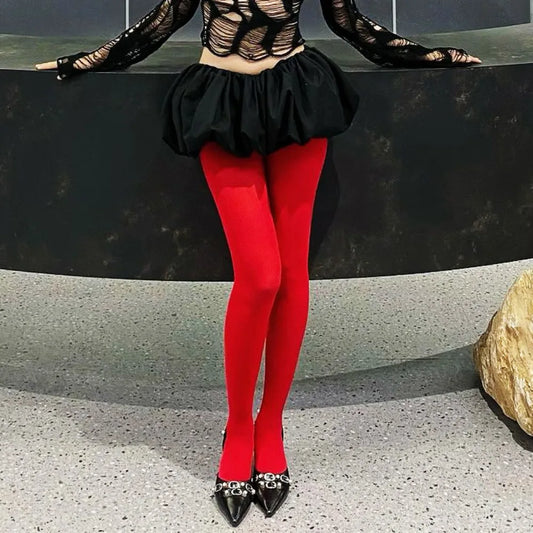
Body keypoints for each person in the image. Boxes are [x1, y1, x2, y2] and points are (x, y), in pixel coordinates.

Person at [35, 0, 481, 527]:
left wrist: (432, 56)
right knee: (261, 276)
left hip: (296, 94)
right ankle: (238, 426)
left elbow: (348, 23)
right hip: (221, 100)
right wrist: (85, 61)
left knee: (291, 275)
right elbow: (166, 17)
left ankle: (270, 425)